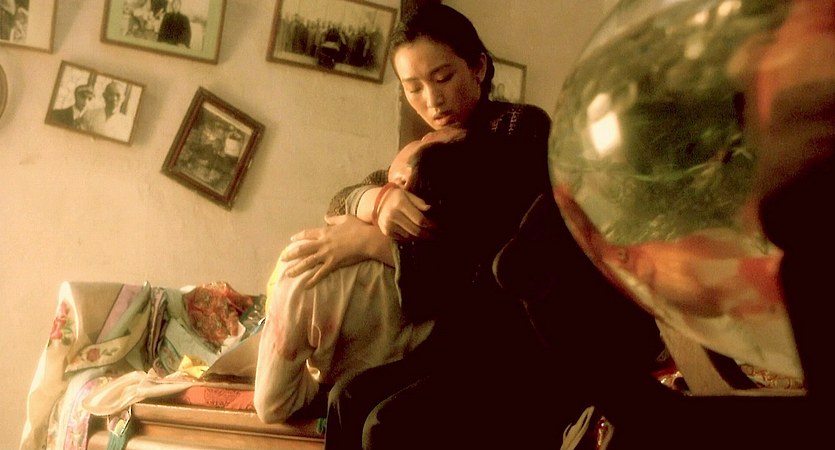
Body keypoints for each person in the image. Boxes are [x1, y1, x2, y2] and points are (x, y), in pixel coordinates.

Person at [268, 5, 614, 449]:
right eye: (413, 87)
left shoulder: (520, 129)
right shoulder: (425, 149)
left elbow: (481, 265)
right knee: (346, 398)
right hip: (456, 343)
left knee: (387, 425)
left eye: (443, 77)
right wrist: (377, 199)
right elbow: (340, 200)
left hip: (522, 344)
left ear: (478, 66)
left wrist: (373, 243)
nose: (432, 100)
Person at [253, 137, 442, 424]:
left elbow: (272, 405)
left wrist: (372, 230)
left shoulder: (308, 268)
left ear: (399, 183)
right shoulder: (457, 286)